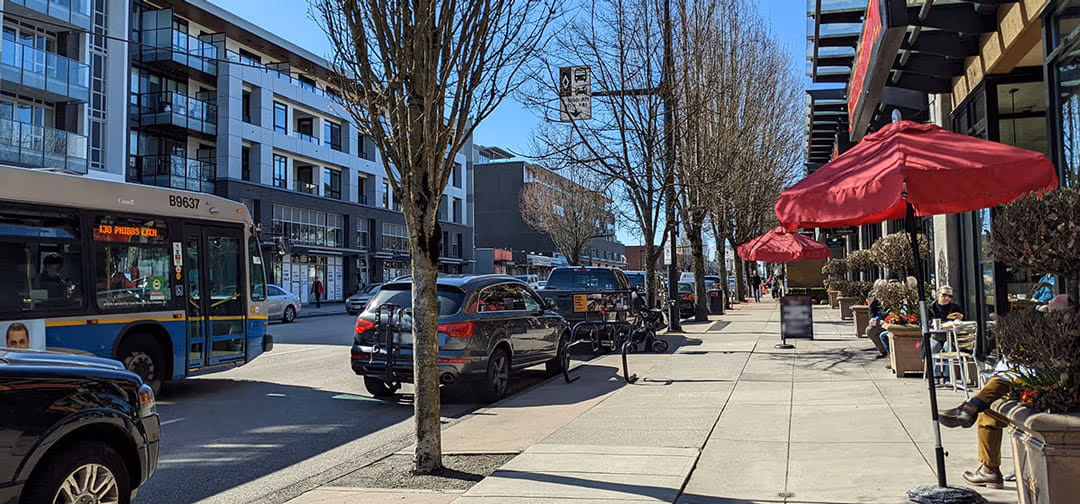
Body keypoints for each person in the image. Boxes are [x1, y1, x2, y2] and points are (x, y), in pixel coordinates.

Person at [866, 279, 888, 358]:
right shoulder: (876, 298)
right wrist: (872, 318)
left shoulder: (891, 297)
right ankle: (883, 351)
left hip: (888, 322)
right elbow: (872, 309)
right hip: (880, 321)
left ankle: (890, 353)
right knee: (869, 330)